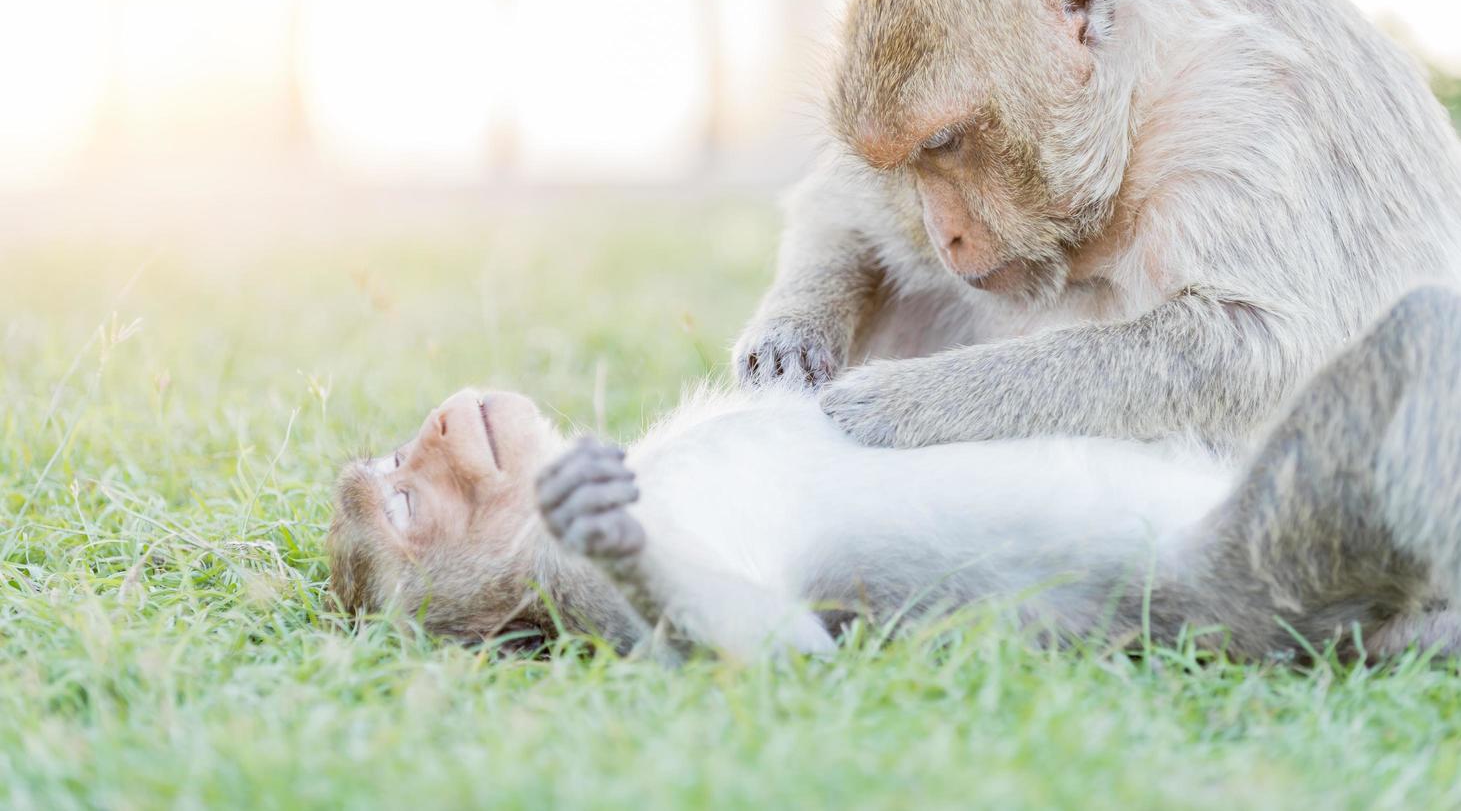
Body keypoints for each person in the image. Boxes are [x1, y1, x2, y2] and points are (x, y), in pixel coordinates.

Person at [329, 288, 1461, 662]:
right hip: (1233, 562)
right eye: (407, 501)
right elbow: (782, 652)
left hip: (1237, 501)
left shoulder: (658, 470)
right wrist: (625, 543)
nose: (425, 437)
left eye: (390, 454)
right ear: (470, 609)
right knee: (1430, 330)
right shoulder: (582, 553)